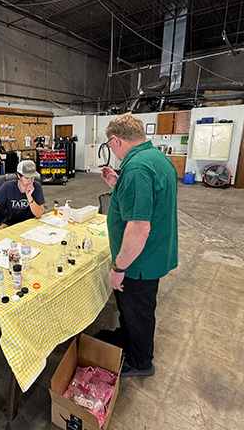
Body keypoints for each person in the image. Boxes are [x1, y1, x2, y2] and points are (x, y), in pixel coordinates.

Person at [99, 113, 178, 377]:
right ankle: (126, 338)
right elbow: (149, 199)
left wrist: (118, 267)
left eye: (110, 145)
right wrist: (118, 184)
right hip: (153, 254)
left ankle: (140, 361)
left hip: (138, 262)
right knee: (131, 309)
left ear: (115, 140)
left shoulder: (136, 169)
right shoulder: (156, 159)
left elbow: (139, 227)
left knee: (138, 311)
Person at [0, 160, 45, 234]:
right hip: (9, 224)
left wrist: (29, 197)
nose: (30, 181)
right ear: (18, 175)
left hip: (29, 224)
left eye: (32, 177)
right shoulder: (7, 187)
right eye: (27, 178)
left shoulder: (37, 187)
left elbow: (39, 215)